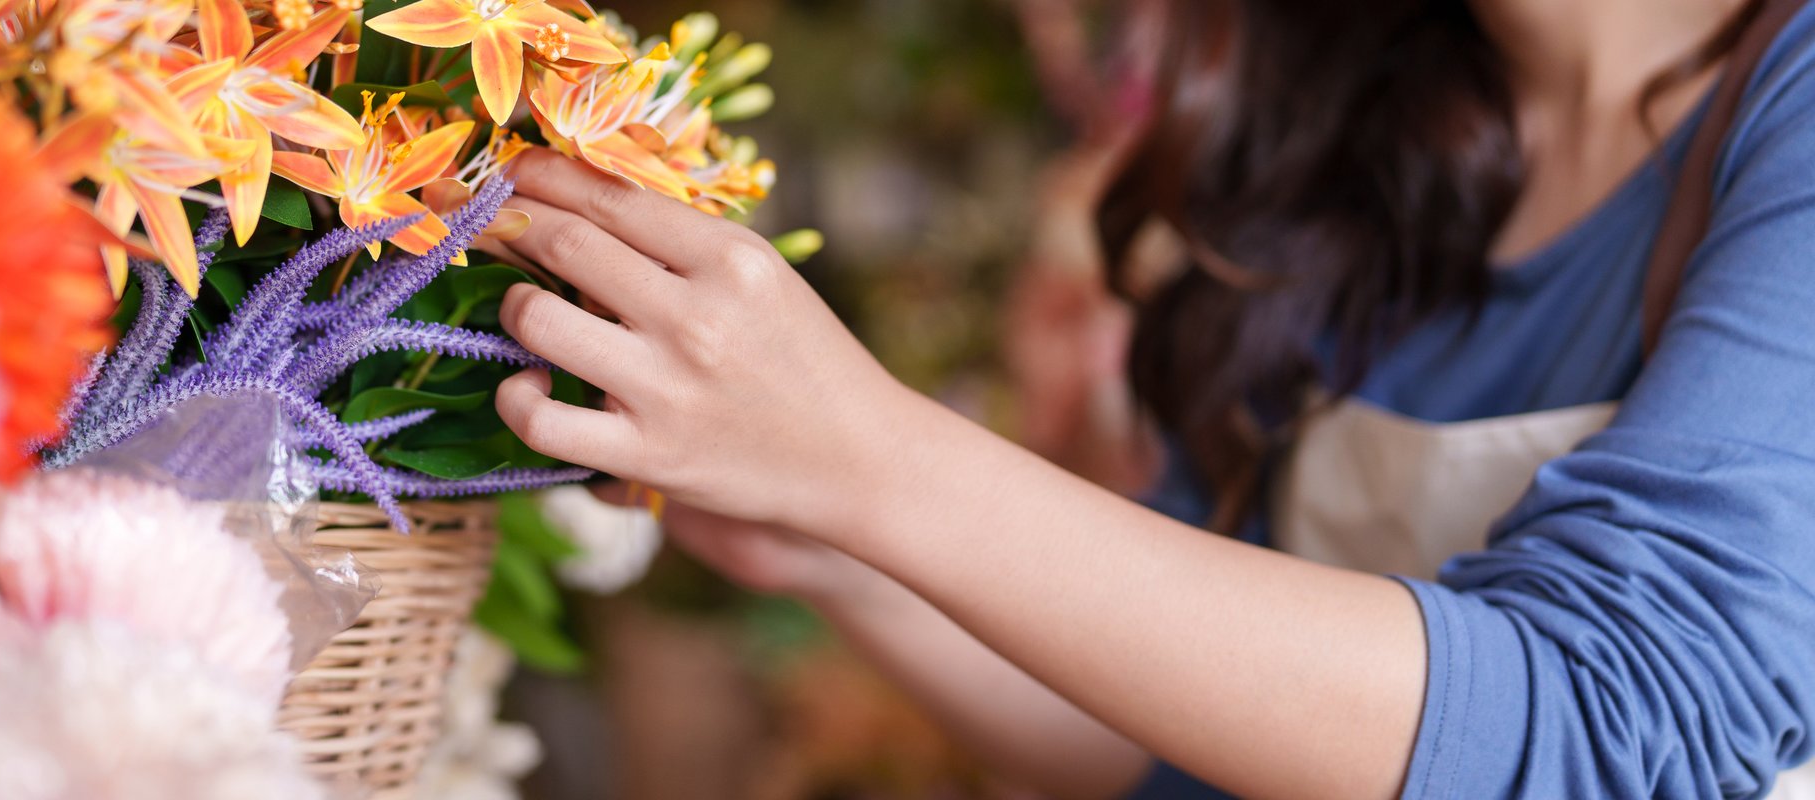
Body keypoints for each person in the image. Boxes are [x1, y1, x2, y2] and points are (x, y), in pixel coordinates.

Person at [484, 0, 1815, 797]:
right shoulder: (1376, 125)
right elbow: (1210, 727)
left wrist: (874, 458)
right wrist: (841, 551)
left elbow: (1623, 732)